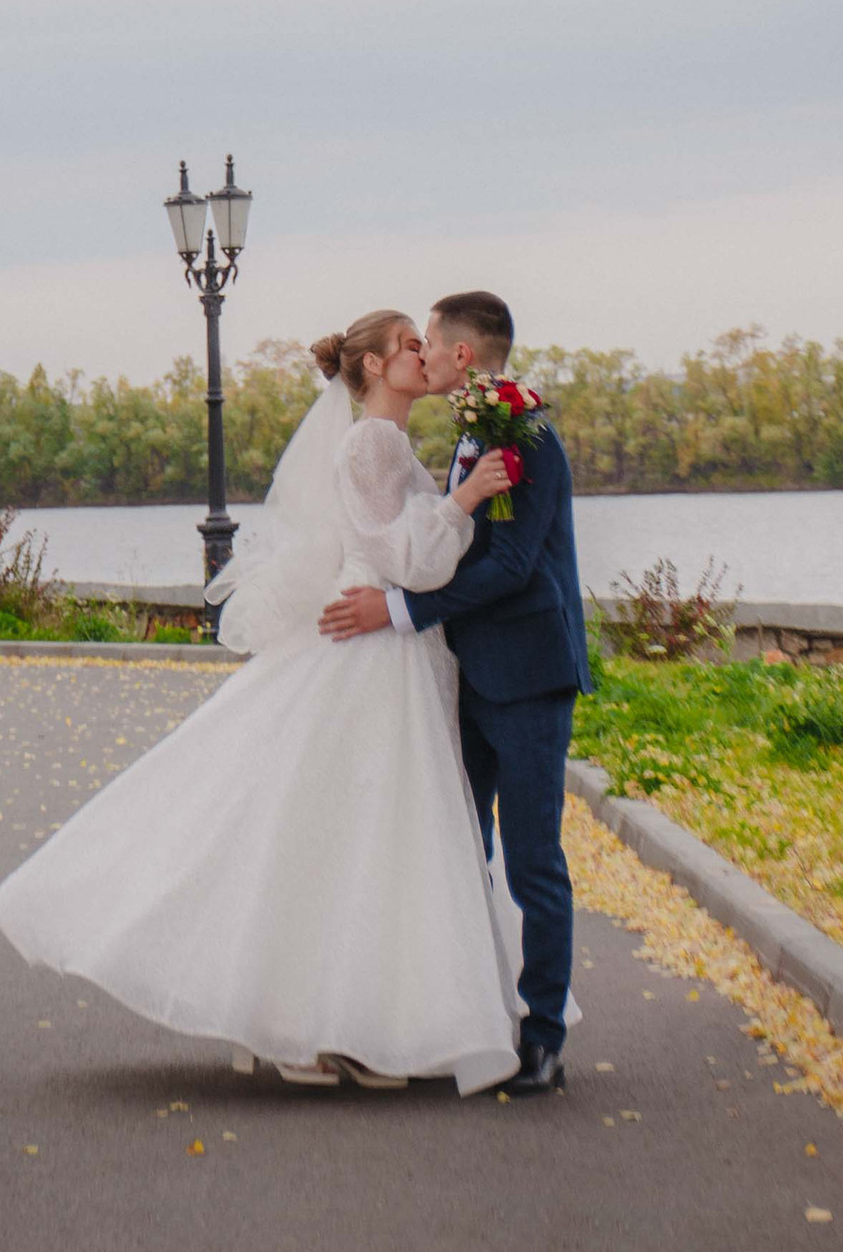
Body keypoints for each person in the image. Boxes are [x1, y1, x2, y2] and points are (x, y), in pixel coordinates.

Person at [0, 308, 527, 1090]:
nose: (422, 352)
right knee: (356, 832)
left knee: (360, 841)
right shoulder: (371, 441)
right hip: (369, 652)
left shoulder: (393, 443)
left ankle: (349, 1025)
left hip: (392, 649)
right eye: (408, 343)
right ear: (372, 366)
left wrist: (455, 506)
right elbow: (404, 557)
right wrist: (465, 499)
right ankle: (298, 1026)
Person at [319, 290, 591, 1098]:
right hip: (466, 672)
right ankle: (447, 1018)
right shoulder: (474, 432)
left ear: (461, 355)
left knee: (533, 863)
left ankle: (542, 1038)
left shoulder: (529, 434)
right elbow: (451, 545)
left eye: (430, 340)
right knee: (452, 848)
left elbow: (509, 567)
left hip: (532, 676)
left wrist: (400, 610)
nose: (425, 352)